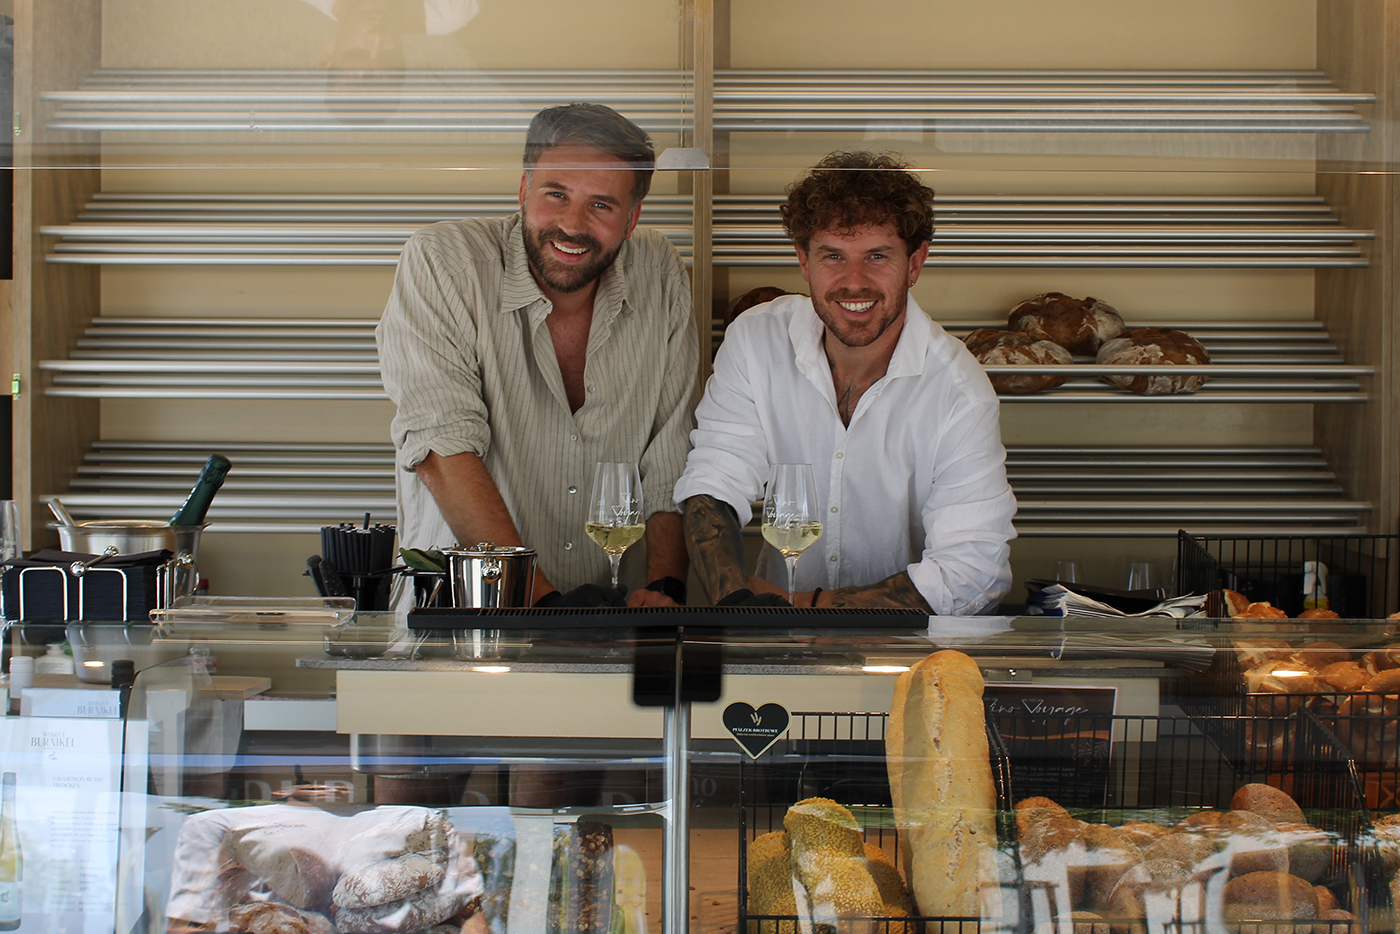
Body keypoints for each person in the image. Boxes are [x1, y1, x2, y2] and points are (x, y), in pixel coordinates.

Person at [377, 103, 696, 609]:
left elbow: (671, 453)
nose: (572, 224)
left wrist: (662, 591)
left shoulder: (658, 270)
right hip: (469, 616)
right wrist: (543, 606)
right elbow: (443, 449)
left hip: (618, 623)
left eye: (602, 205)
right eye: (556, 194)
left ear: (632, 218)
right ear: (524, 190)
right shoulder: (444, 261)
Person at [673, 151, 1016, 615]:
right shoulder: (756, 340)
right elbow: (713, 481)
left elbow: (973, 572)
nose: (854, 282)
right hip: (775, 643)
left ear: (915, 264)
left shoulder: (959, 391)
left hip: (907, 658)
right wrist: (736, 601)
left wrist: (804, 604)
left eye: (877, 256)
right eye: (833, 256)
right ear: (804, 262)